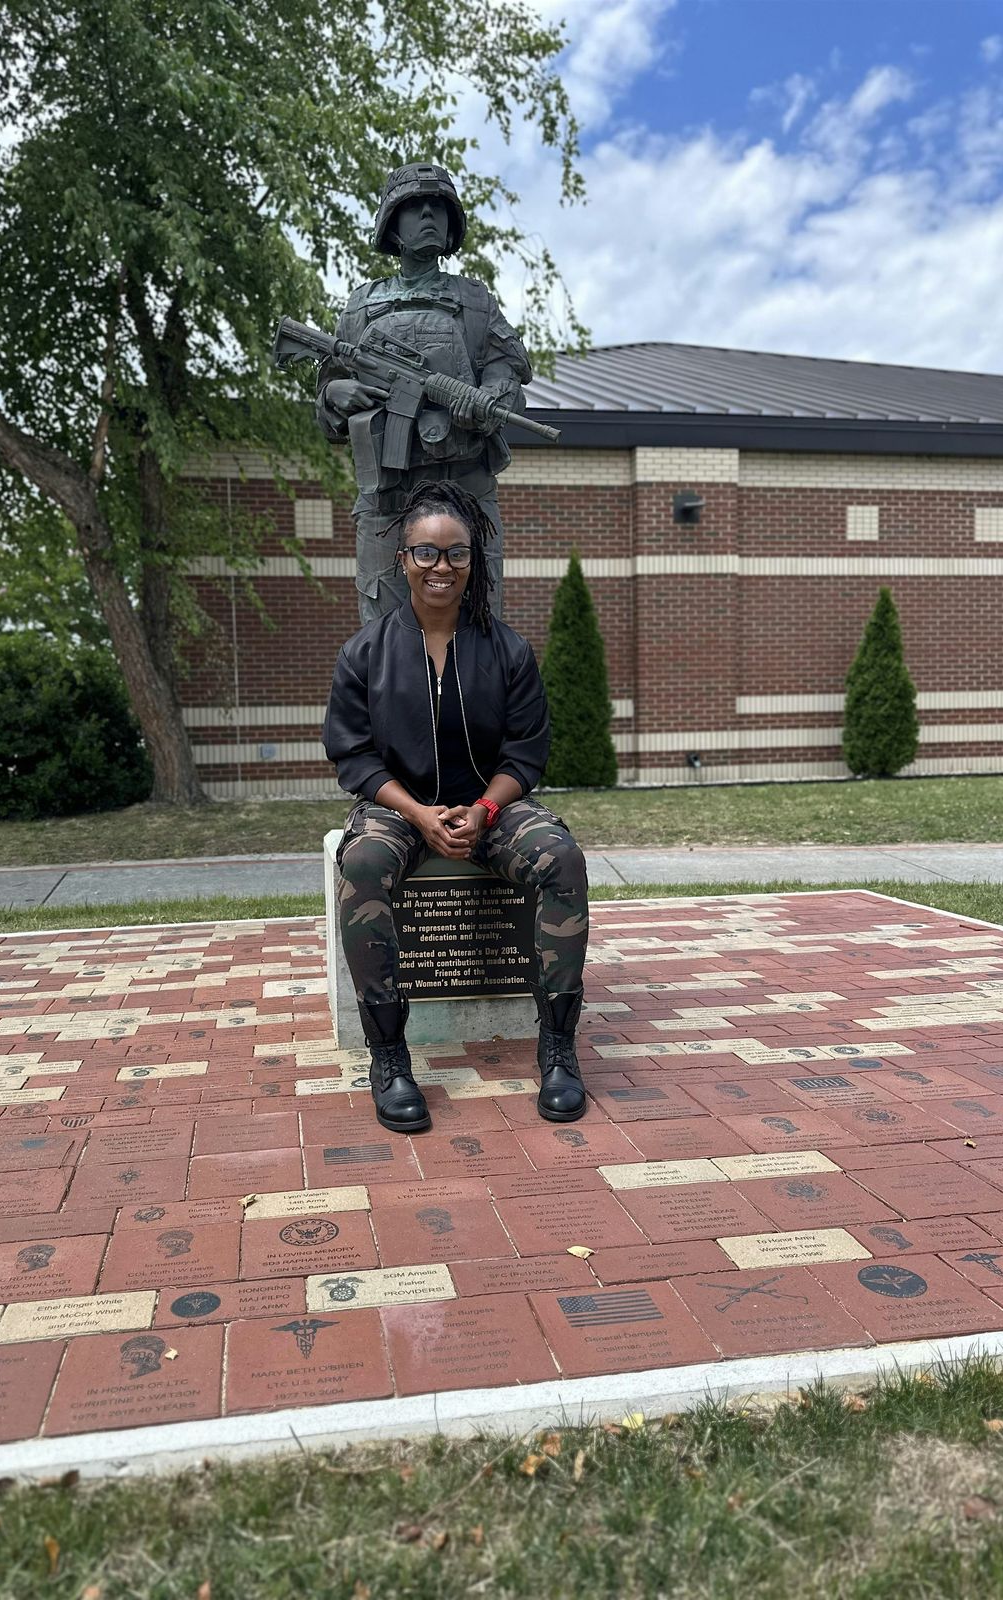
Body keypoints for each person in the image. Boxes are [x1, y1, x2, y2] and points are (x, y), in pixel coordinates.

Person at [322, 479, 590, 1133]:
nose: (441, 566)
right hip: (398, 807)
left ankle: (558, 1048)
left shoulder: (508, 651)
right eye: (426, 552)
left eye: (456, 553)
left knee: (560, 856)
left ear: (473, 562)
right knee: (363, 865)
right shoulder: (365, 653)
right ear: (403, 560)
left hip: (489, 807)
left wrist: (484, 812)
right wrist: (419, 815)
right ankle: (390, 1058)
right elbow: (353, 756)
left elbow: (525, 754)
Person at [315, 162, 533, 625]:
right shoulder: (360, 306)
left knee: (480, 624)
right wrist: (336, 393)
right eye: (416, 207)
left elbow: (510, 368)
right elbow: (328, 391)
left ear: (453, 226)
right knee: (384, 633)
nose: (430, 214)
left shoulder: (475, 301)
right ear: (393, 226)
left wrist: (490, 397)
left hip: (466, 488)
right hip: (387, 496)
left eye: (440, 207)